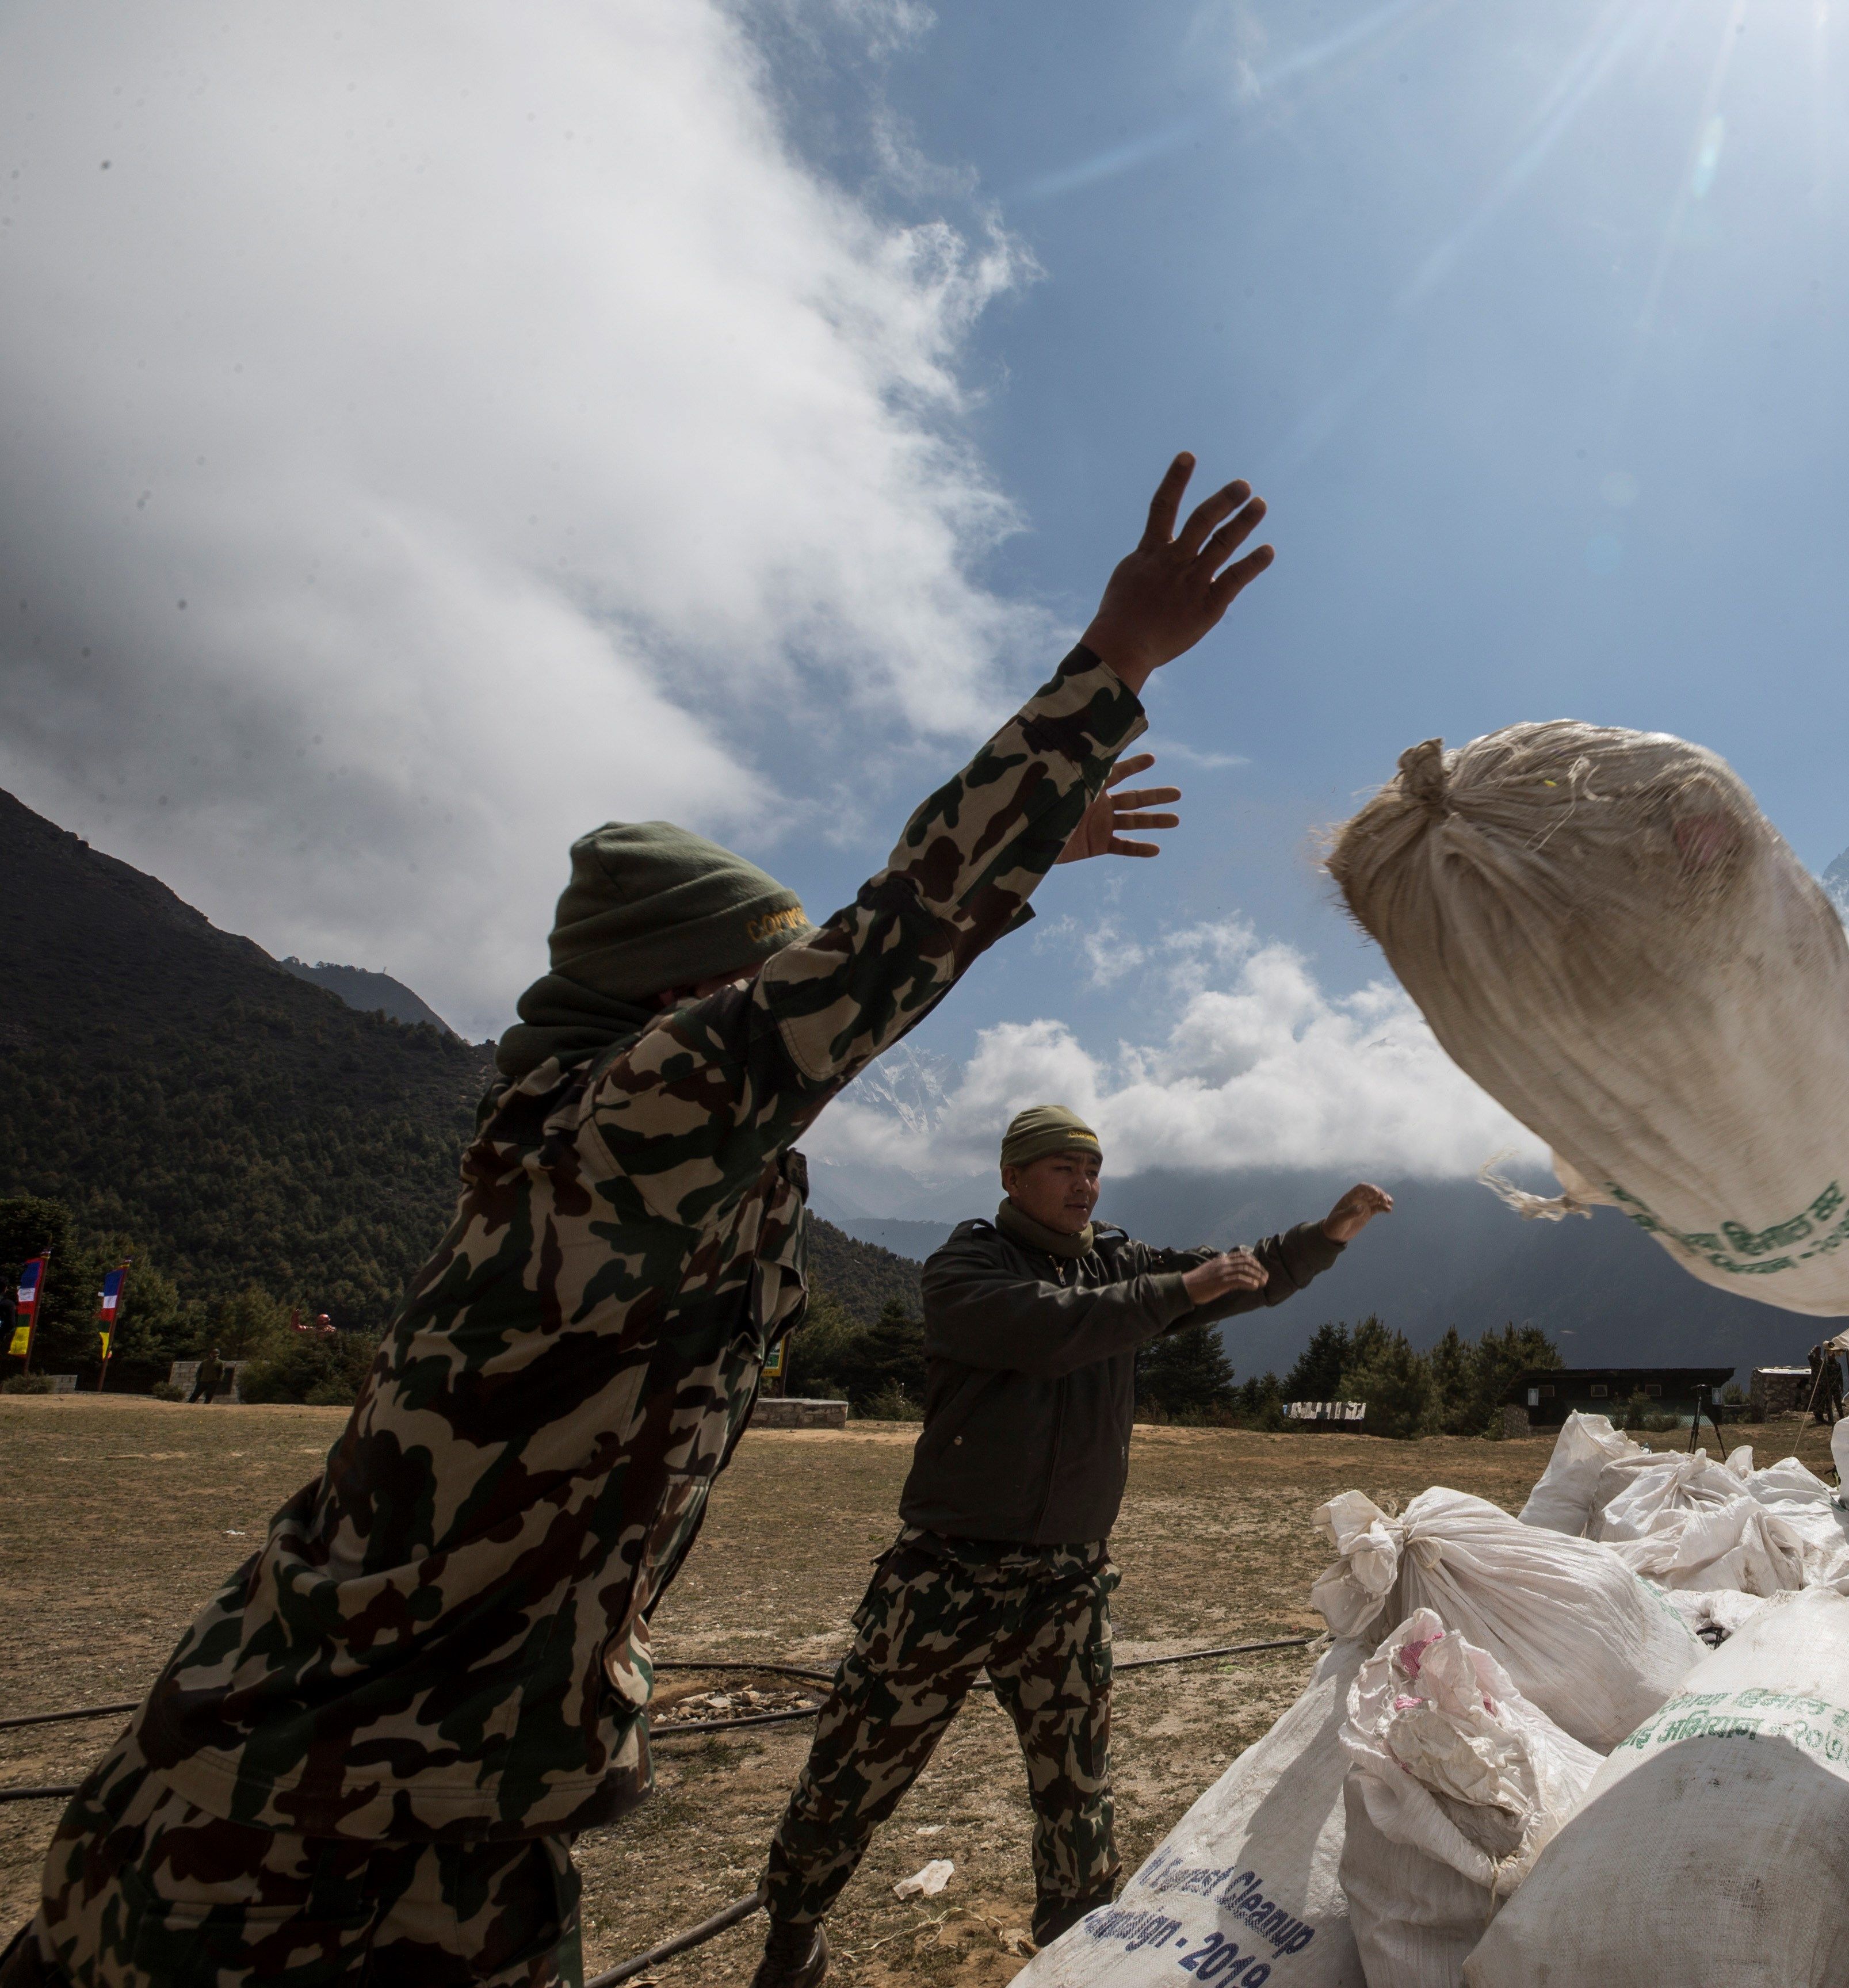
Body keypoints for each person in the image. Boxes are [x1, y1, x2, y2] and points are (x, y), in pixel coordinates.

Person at [0, 454, 1274, 1988]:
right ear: (679, 998)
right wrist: (1109, 672)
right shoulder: (626, 1123)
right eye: (743, 985)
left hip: (386, 1826)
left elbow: (873, 967)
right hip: (289, 1865)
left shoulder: (610, 1151)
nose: (760, 1017)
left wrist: (1019, 865)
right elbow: (878, 957)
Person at [747, 1107, 1391, 1985]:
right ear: (1012, 1177)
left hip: (1067, 1578)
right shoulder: (968, 1268)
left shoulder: (1118, 1262)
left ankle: (1078, 1955)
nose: (1084, 1185)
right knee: (854, 1773)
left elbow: (1243, 1275)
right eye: (1061, 1168)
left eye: (1092, 1168)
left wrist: (1326, 1236)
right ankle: (792, 1925)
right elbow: (1057, 1329)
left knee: (1077, 1793)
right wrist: (1182, 1292)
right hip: (947, 1573)